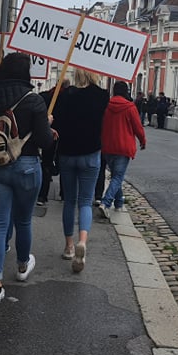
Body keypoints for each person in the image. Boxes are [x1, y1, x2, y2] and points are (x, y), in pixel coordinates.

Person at [0, 53, 56, 305]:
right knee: (23, 220)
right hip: (27, 167)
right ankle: (22, 266)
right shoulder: (34, 100)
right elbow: (44, 141)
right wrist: (48, 125)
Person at [51, 67, 109, 273]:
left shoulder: (65, 95)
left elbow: (56, 122)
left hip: (67, 154)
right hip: (91, 153)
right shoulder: (102, 96)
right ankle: (82, 242)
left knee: (70, 201)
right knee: (85, 202)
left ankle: (68, 246)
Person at [99, 81, 146, 216]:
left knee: (116, 175)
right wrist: (142, 141)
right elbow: (138, 127)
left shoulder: (106, 106)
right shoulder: (130, 107)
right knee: (118, 177)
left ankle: (119, 203)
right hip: (123, 146)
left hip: (108, 146)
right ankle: (106, 202)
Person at [37, 79, 70, 205]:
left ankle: (42, 195)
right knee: (63, 165)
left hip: (48, 133)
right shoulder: (68, 99)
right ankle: (64, 193)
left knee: (46, 163)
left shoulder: (45, 96)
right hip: (63, 136)